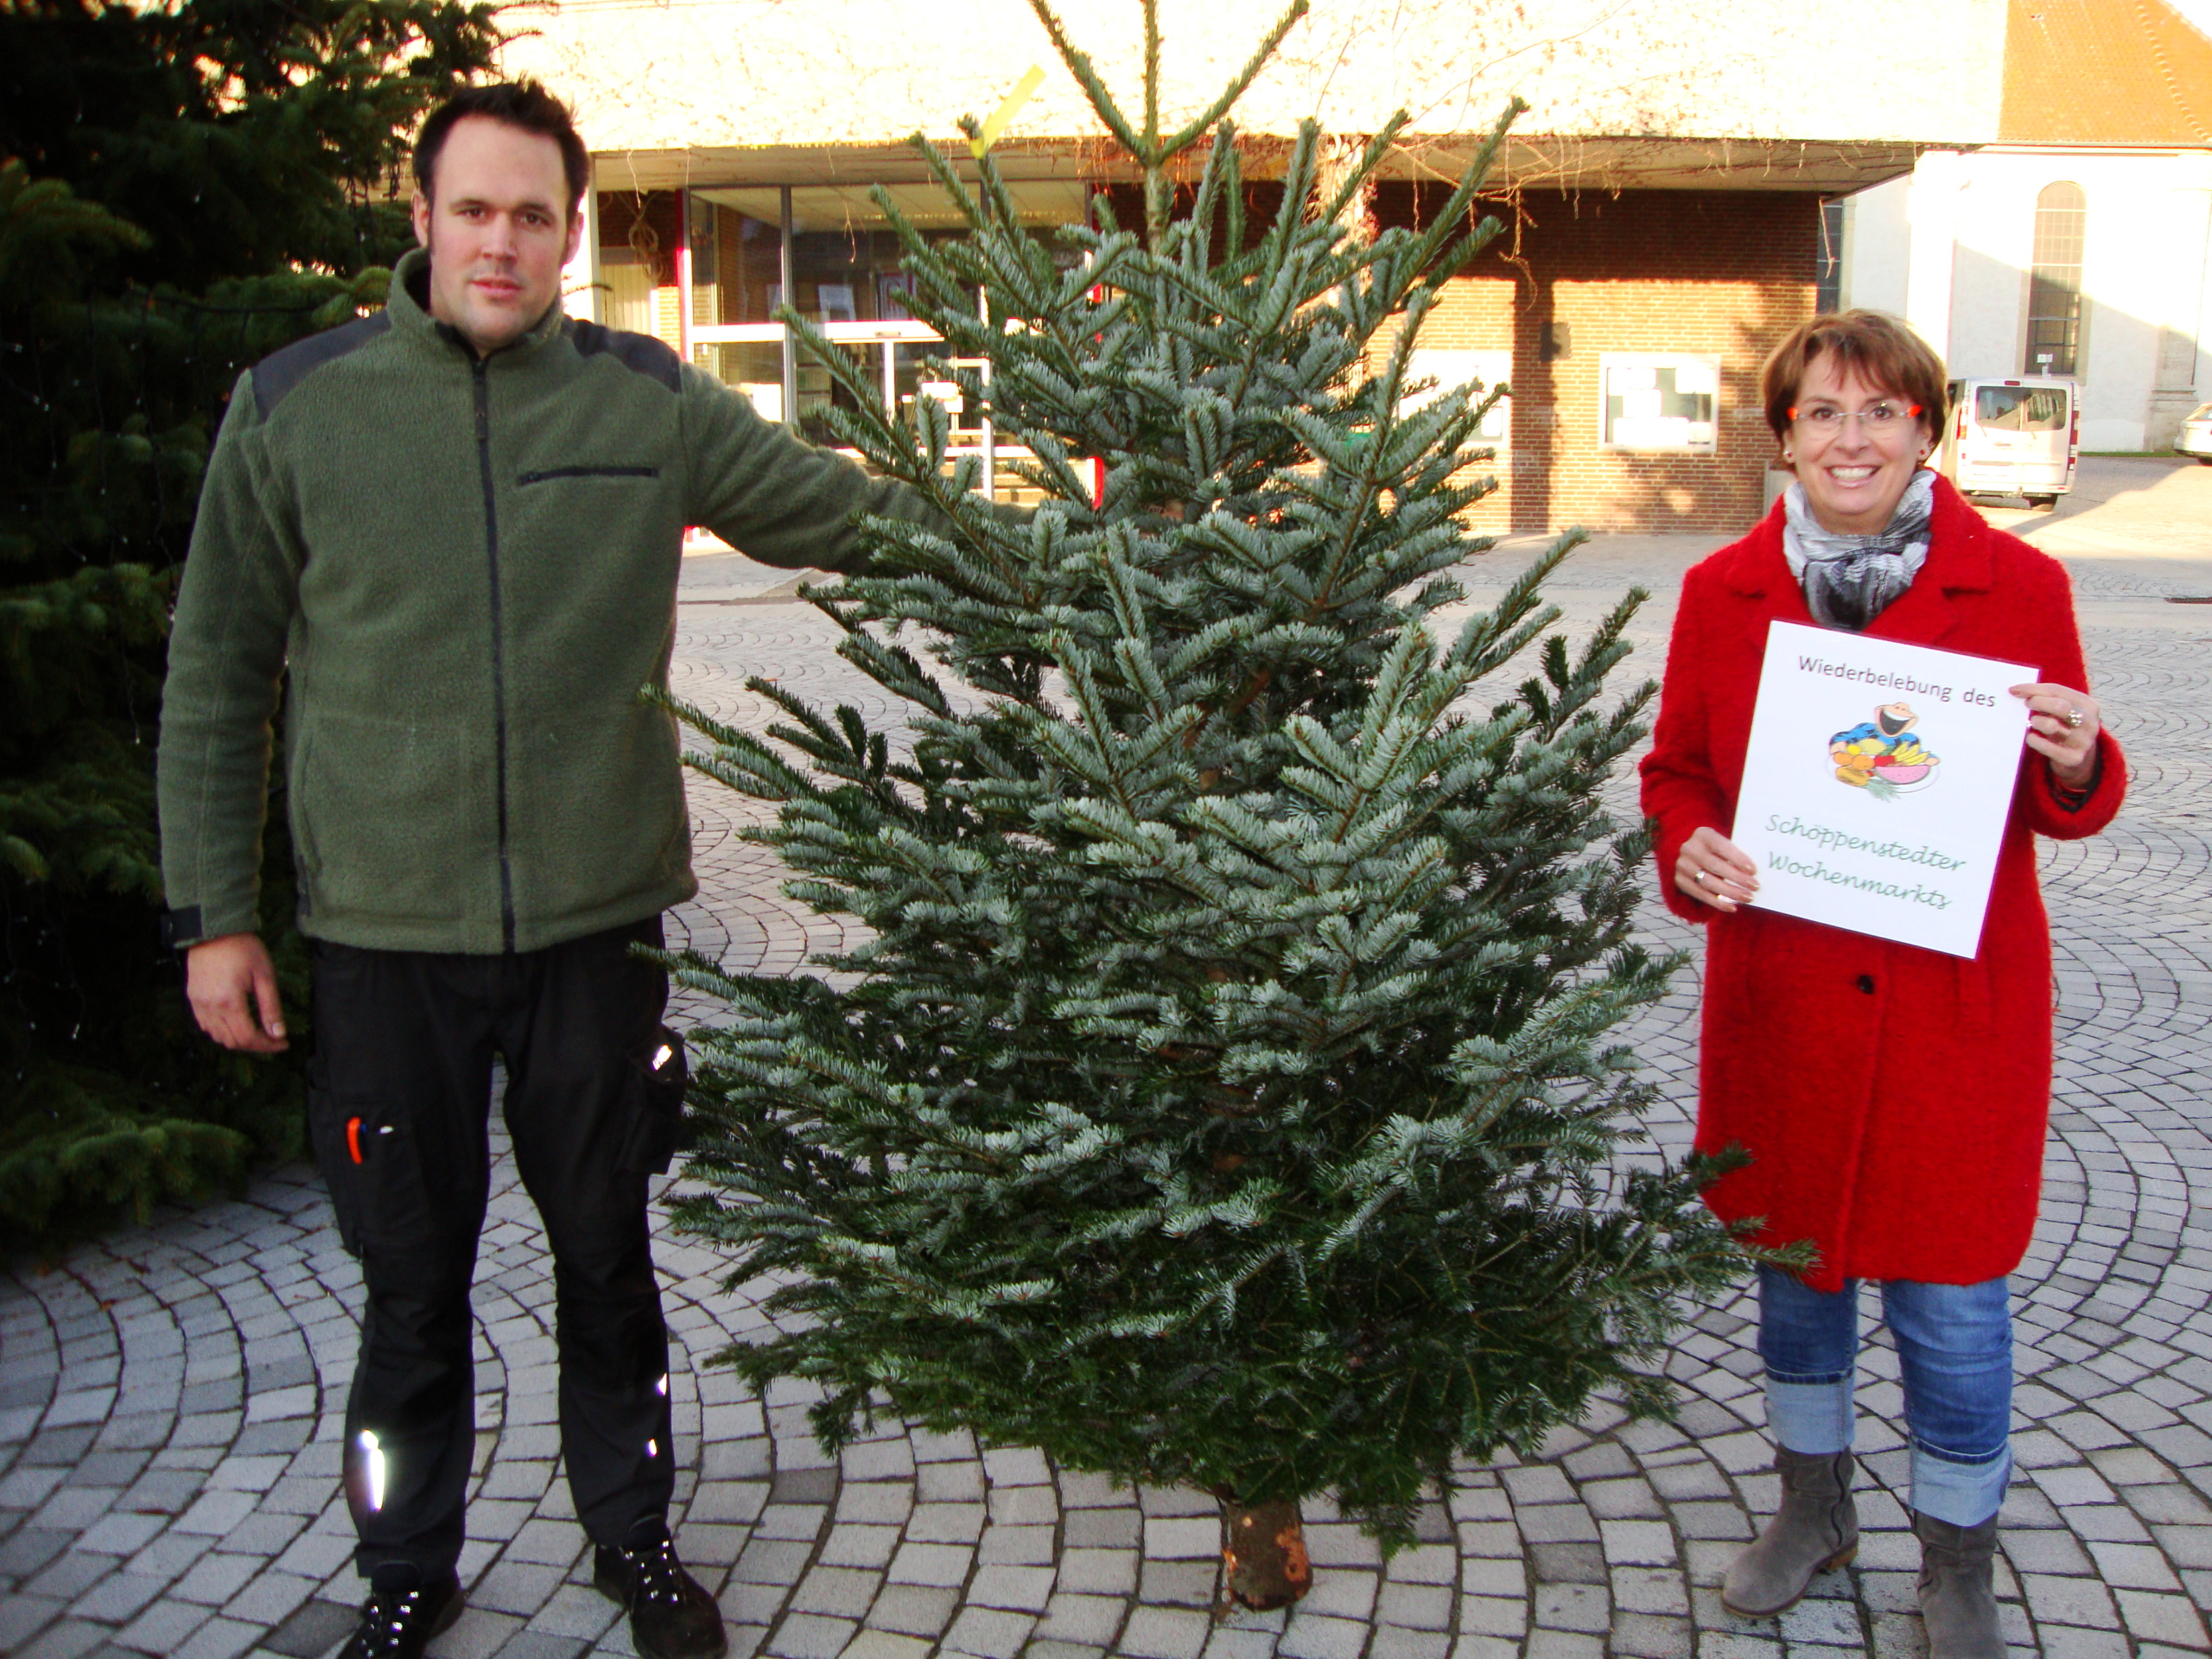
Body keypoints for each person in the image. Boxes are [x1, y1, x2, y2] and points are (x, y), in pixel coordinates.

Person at [156, 80, 962, 1659]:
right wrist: (216, 921)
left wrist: (1089, 544)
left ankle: (635, 1539)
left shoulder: (642, 401)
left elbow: (837, 514)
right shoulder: (296, 411)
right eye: (474, 210)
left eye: (534, 215)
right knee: (408, 1285)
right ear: (421, 220)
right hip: (383, 946)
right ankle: (405, 1573)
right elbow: (215, 670)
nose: (502, 242)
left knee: (608, 1258)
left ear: (571, 232)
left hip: (599, 938)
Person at [1638, 311, 2124, 1659]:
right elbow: (1677, 771)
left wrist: (2079, 758)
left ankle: (1957, 1561)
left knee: (1953, 1303)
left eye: (1881, 414)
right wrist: (1694, 848)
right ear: (1784, 437)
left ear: (1926, 431)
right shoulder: (1721, 594)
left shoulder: (2019, 588)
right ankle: (1816, 1511)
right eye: (1822, 414)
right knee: (1799, 1282)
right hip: (1787, 998)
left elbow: (2057, 793)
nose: (1852, 439)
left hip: (1946, 1021)